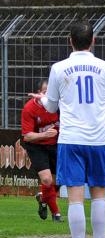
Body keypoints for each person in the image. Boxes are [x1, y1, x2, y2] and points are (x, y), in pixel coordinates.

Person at [33, 20, 105, 238]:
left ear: (70, 41)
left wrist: (42, 99)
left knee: (75, 198)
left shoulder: (59, 68)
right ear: (93, 41)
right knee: (99, 195)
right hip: (98, 139)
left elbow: (51, 106)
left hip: (71, 139)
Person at [21, 79, 62, 222]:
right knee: (46, 179)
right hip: (36, 146)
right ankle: (56, 214)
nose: (48, 96)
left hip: (55, 145)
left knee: (58, 180)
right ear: (39, 93)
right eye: (45, 92)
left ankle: (43, 199)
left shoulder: (59, 106)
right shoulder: (29, 108)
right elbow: (27, 136)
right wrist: (44, 135)